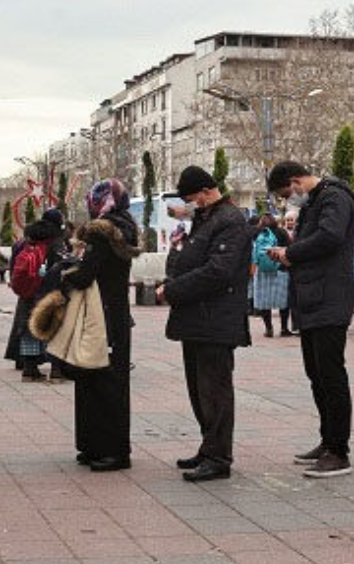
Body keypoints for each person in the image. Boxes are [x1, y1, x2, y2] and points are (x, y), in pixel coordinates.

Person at [266, 160, 354, 478]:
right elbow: (313, 243)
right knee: (316, 373)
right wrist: (286, 254)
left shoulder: (334, 197)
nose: (288, 199)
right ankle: (327, 439)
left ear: (295, 181)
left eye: (286, 193)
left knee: (331, 374)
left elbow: (330, 237)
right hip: (312, 298)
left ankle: (339, 451)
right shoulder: (316, 201)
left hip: (330, 297)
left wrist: (292, 254)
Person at [158, 167, 251, 482]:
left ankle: (218, 457)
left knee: (215, 391)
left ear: (205, 191)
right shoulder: (206, 219)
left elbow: (218, 271)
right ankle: (208, 446)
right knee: (199, 390)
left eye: (190, 198)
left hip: (216, 320)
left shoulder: (229, 221)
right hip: (197, 318)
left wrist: (172, 290)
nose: (189, 204)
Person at [63, 179, 140, 472]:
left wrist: (65, 273)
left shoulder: (100, 232)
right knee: (112, 379)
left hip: (97, 314)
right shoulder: (127, 227)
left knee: (95, 380)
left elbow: (86, 275)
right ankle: (107, 446)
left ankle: (106, 449)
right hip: (117, 313)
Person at [6, 209, 65, 381]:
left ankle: (29, 370)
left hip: (27, 295)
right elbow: (61, 267)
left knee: (29, 331)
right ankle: (56, 370)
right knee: (54, 330)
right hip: (50, 294)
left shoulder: (26, 243)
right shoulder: (55, 242)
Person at [250, 213, 291, 338]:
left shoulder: (257, 233)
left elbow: (252, 252)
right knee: (284, 300)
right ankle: (284, 328)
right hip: (281, 269)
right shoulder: (282, 232)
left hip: (262, 271)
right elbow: (289, 249)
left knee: (264, 301)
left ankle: (269, 329)